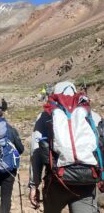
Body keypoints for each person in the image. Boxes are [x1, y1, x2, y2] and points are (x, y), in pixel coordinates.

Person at [29, 81, 102, 213]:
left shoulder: (45, 117)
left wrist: (34, 185)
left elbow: (36, 153)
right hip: (86, 182)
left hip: (56, 181)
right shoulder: (92, 116)